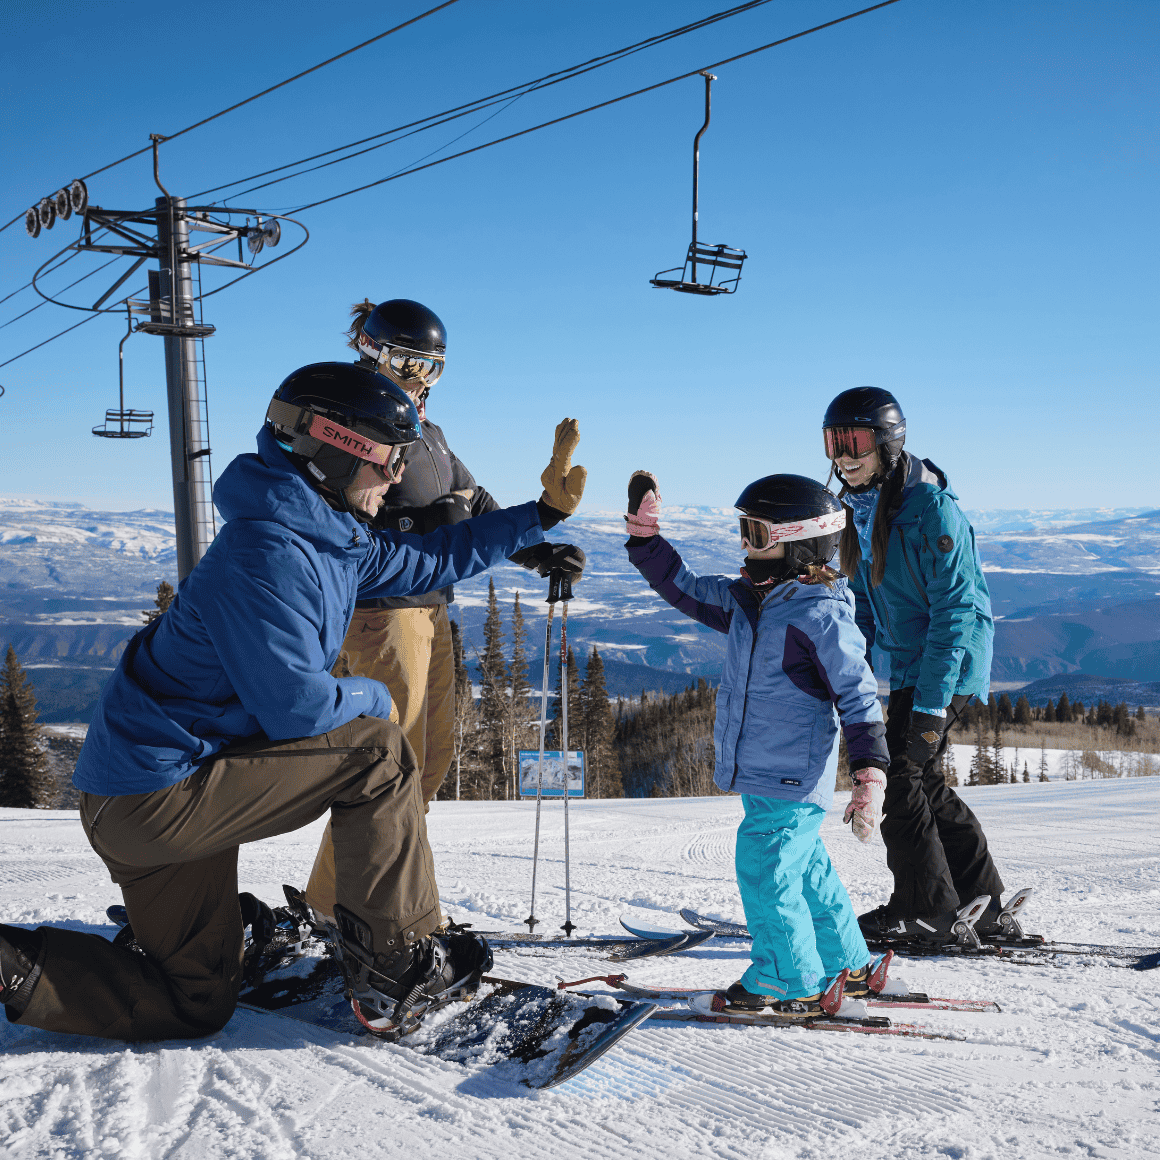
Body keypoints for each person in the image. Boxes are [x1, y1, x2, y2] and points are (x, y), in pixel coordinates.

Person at [0, 361, 586, 1042]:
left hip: (147, 797)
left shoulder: (327, 534)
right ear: (336, 453)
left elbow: (429, 561)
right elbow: (298, 713)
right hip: (161, 799)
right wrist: (375, 696)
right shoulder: (270, 554)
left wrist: (537, 519)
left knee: (194, 1003)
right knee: (377, 752)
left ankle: (16, 966)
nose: (398, 477)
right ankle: (396, 968)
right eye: (390, 460)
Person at [301, 298, 584, 921]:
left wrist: (535, 549)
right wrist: (420, 522)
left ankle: (350, 903)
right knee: (387, 765)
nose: (419, 380)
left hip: (429, 609)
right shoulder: (350, 422)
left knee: (426, 768)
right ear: (371, 352)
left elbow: (473, 501)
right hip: (381, 611)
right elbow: (337, 518)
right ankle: (344, 911)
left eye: (433, 368)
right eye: (407, 363)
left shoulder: (427, 432)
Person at [624, 470, 890, 1017]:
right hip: (769, 773)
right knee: (805, 868)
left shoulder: (820, 615)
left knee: (767, 866)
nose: (747, 547)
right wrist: (647, 541)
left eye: (758, 534)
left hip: (792, 773)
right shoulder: (752, 603)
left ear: (798, 541)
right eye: (743, 531)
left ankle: (788, 980)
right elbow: (687, 590)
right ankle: (848, 964)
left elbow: (860, 697)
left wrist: (870, 776)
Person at [821, 386, 1007, 943]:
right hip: (910, 665)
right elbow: (865, 608)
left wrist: (929, 706)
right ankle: (982, 904)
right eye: (832, 441)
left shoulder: (929, 508)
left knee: (899, 776)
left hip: (945, 666)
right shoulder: (859, 510)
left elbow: (956, 611)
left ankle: (923, 908)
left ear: (888, 442)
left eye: (854, 440)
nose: (842, 455)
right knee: (921, 778)